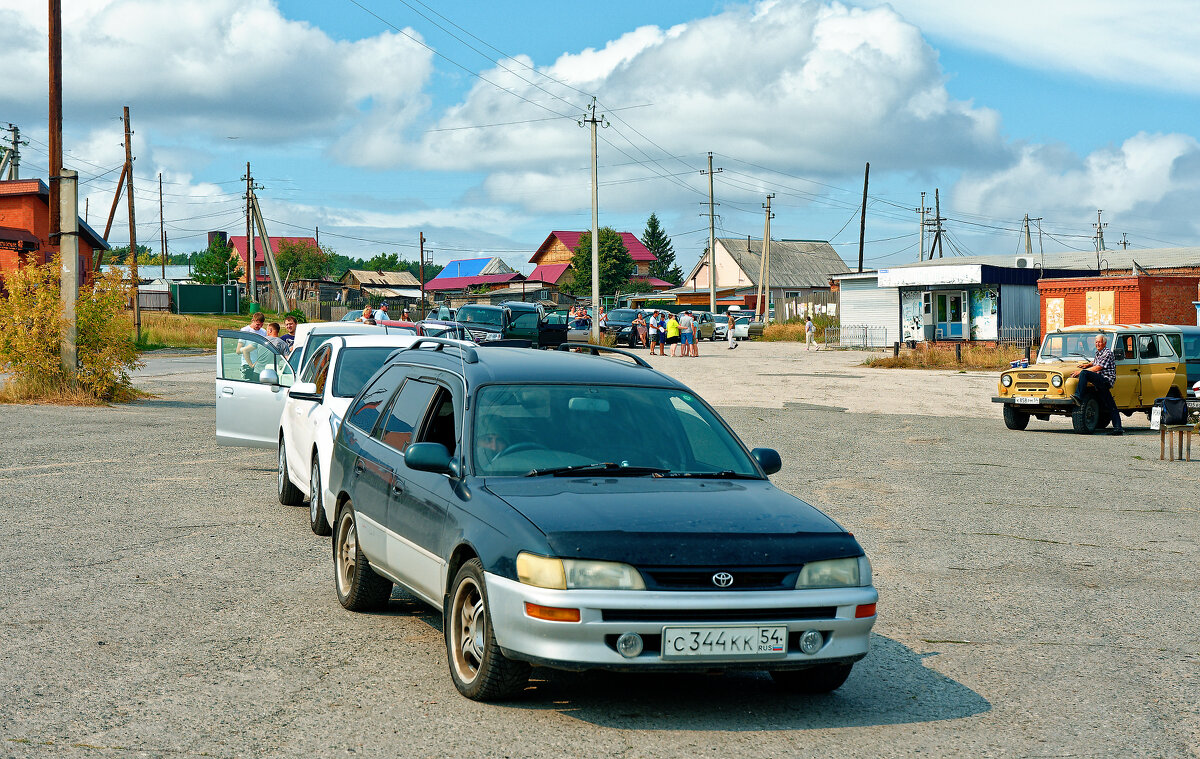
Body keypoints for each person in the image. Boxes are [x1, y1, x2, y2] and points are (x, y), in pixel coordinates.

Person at [1069, 334, 1123, 436]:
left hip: (1105, 380)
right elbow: (1095, 362)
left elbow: (1098, 367)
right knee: (1110, 404)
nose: (1097, 344)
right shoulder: (1099, 353)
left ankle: (1079, 396)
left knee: (1084, 373)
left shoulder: (1108, 353)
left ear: (1105, 343)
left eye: (1100, 342)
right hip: (1100, 380)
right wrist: (1087, 365)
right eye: (1096, 342)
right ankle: (1118, 428)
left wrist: (1081, 371)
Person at [237, 312, 267, 380]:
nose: (259, 327)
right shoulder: (245, 330)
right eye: (257, 324)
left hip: (259, 364)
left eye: (261, 325)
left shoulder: (263, 332)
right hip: (247, 364)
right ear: (253, 320)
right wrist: (248, 349)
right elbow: (238, 350)